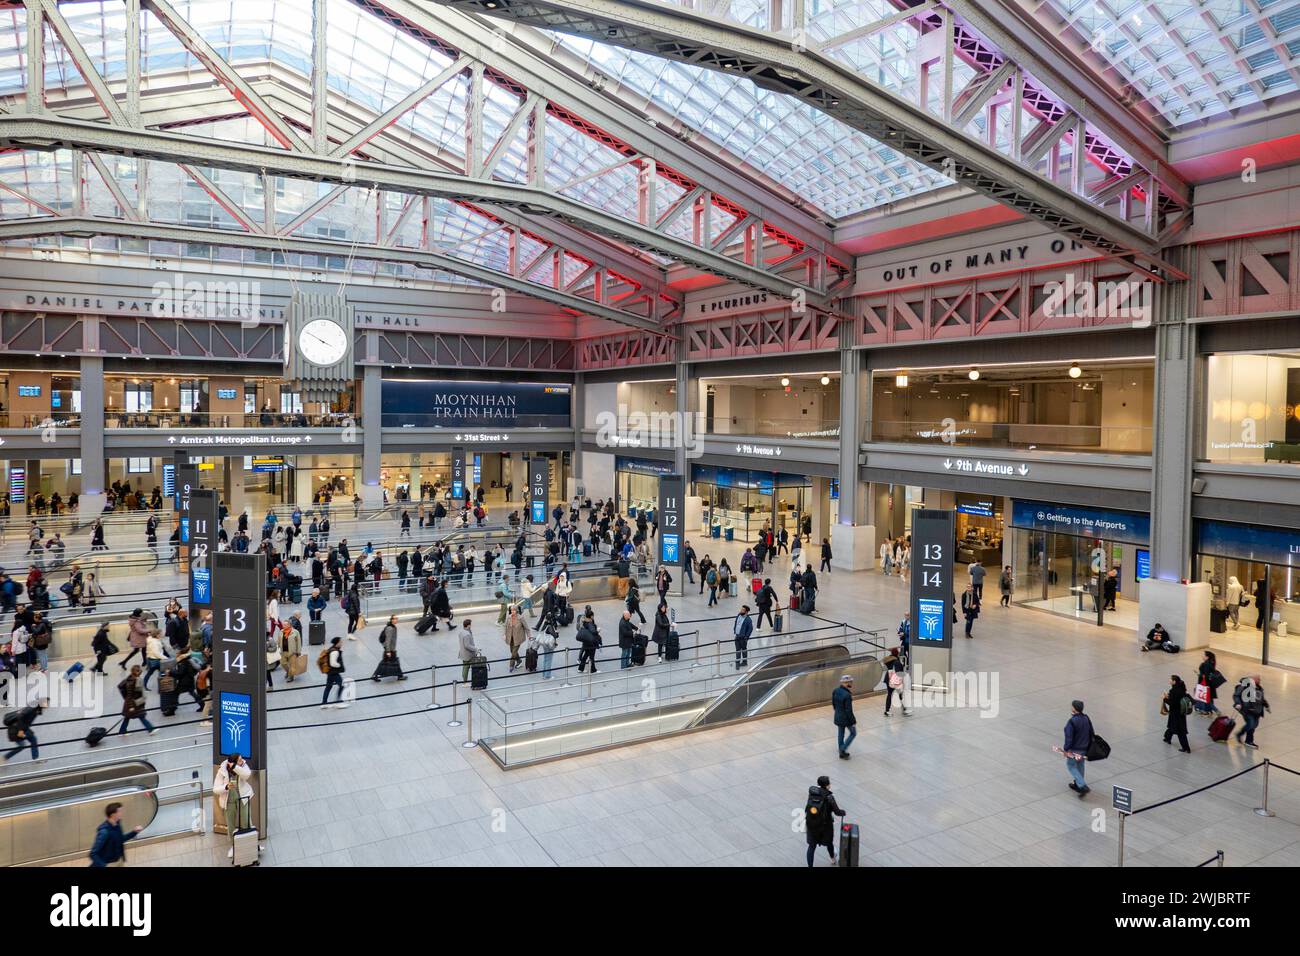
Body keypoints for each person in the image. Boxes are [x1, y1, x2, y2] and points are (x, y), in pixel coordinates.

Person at [212, 753, 253, 860]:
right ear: (233, 762)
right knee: (230, 825)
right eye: (239, 760)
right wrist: (226, 787)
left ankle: (251, 843)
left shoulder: (242, 766)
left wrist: (236, 767)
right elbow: (215, 789)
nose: (242, 760)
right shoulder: (222, 771)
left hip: (242, 797)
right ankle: (233, 846)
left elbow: (247, 775)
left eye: (241, 759)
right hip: (229, 800)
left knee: (246, 821)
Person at [803, 775, 846, 867]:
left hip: (811, 824)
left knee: (811, 846)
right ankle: (833, 859)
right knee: (829, 843)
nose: (830, 784)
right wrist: (843, 812)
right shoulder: (829, 796)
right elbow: (837, 812)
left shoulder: (812, 792)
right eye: (829, 783)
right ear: (827, 785)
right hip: (825, 825)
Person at [89, 802, 143, 867]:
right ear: (113, 815)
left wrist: (134, 832)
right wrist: (104, 865)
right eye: (119, 811)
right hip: (109, 863)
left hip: (119, 860)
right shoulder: (104, 831)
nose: (122, 813)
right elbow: (93, 853)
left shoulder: (117, 824)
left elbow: (121, 839)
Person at [1062, 700, 1092, 797]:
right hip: (1084, 748)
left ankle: (1082, 785)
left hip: (1074, 749)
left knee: (1071, 765)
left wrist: (1066, 750)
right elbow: (1091, 732)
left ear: (1074, 708)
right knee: (1080, 765)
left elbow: (1069, 737)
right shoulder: (1086, 718)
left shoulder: (1072, 721)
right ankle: (1078, 785)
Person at [1, 698, 45, 762]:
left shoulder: (36, 709)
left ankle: (36, 758)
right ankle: (4, 758)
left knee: (33, 740)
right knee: (21, 746)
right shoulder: (31, 709)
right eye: (46, 703)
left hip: (24, 729)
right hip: (16, 729)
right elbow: (20, 717)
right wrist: (20, 731)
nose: (47, 705)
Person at [1232, 674, 1269, 749]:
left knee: (1254, 726)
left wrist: (1266, 705)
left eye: (1259, 679)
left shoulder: (1259, 688)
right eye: (1258, 679)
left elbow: (1261, 698)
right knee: (1250, 723)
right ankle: (1241, 735)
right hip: (1247, 709)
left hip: (1257, 710)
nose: (1259, 680)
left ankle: (1248, 741)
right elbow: (1236, 695)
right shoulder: (1245, 686)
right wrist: (1238, 703)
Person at [117, 666, 157, 735]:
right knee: (141, 716)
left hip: (133, 702)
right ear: (135, 672)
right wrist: (130, 706)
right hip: (132, 703)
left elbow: (120, 686)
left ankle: (122, 731)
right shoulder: (132, 681)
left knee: (128, 717)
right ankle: (151, 730)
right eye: (138, 671)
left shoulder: (131, 679)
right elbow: (129, 695)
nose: (140, 672)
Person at [1162, 675, 1192, 753]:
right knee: (1172, 726)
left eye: (1171, 680)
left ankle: (1186, 748)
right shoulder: (1182, 689)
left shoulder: (1173, 691)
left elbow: (1172, 703)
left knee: (1180, 731)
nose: (1169, 681)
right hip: (1181, 713)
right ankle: (1167, 738)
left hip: (1175, 714)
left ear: (1174, 681)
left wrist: (1165, 699)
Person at [373, 615, 405, 681]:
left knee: (388, 662)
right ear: (391, 620)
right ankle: (400, 676)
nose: (396, 620)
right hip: (390, 649)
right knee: (390, 662)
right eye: (395, 619)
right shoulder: (390, 628)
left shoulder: (393, 627)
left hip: (391, 649)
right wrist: (388, 651)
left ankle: (400, 675)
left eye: (397, 618)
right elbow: (388, 640)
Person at [832, 675, 856, 759]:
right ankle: (842, 749)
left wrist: (837, 712)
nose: (852, 683)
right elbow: (849, 710)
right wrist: (853, 721)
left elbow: (834, 704)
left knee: (841, 733)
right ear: (846, 683)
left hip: (838, 715)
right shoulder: (847, 695)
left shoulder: (835, 690)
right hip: (846, 718)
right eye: (850, 682)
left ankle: (841, 751)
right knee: (853, 733)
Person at [882, 646, 910, 717]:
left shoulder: (889, 660)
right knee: (900, 694)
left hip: (888, 678)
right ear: (897, 654)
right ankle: (904, 709)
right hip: (894, 680)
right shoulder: (896, 662)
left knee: (890, 694)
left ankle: (887, 711)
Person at [320, 637, 347, 708]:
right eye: (340, 642)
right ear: (337, 643)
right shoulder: (335, 651)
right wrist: (339, 665)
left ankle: (324, 703)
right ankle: (338, 702)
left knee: (328, 687)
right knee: (342, 685)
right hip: (334, 672)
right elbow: (333, 663)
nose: (342, 643)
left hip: (330, 672)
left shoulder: (331, 649)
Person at [1195, 651, 1223, 716]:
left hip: (1205, 684)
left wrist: (1200, 675)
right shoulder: (1211, 663)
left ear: (1207, 657)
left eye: (1204, 655)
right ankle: (1208, 710)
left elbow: (1206, 676)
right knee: (1209, 698)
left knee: (1206, 699)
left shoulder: (1206, 664)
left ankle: (1216, 710)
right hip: (1210, 684)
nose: (1202, 656)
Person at [504, 605, 528, 671]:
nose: (512, 612)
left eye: (514, 610)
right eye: (511, 610)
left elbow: (526, 627)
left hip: (518, 637)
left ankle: (511, 666)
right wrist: (505, 634)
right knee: (512, 651)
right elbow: (505, 626)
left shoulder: (520, 618)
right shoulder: (509, 617)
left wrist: (529, 635)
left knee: (514, 652)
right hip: (510, 637)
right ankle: (519, 661)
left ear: (516, 611)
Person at [733, 605, 753, 669]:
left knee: (744, 649)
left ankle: (744, 662)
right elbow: (736, 623)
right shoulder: (739, 615)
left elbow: (750, 629)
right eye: (741, 609)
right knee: (738, 650)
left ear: (746, 612)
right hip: (737, 636)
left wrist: (746, 637)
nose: (741, 611)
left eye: (743, 610)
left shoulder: (748, 620)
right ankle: (738, 663)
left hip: (743, 638)